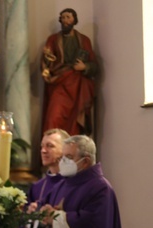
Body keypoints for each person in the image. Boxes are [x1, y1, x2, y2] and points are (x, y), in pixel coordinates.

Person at [41, 8, 97, 136]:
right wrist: (47, 63)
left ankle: (73, 153)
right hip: (59, 84)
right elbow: (46, 62)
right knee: (53, 117)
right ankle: (53, 151)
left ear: (74, 20)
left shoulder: (84, 40)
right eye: (63, 17)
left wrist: (85, 67)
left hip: (78, 85)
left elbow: (94, 66)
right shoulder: (53, 39)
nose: (65, 20)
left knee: (76, 121)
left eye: (68, 17)